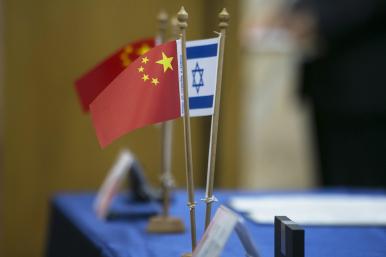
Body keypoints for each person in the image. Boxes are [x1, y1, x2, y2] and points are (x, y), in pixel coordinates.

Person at [280, 0, 386, 187]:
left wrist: (314, 17)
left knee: (364, 191)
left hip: (367, 89)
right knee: (332, 187)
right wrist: (293, 13)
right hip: (327, 84)